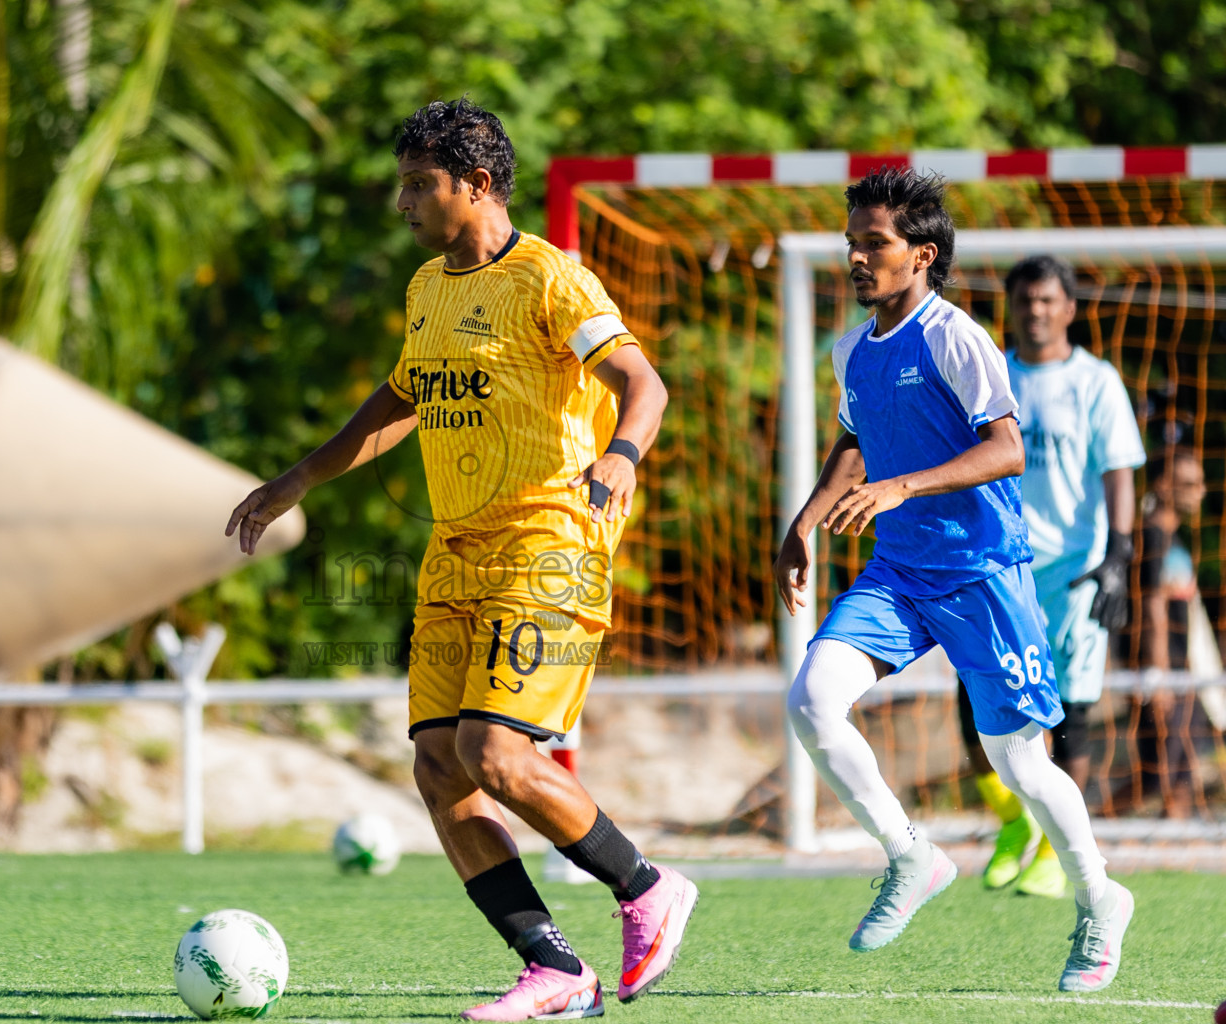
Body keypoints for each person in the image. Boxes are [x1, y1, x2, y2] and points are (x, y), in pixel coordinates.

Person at [226, 98, 696, 1021]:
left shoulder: (551, 279)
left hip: (551, 538)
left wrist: (621, 456)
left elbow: (644, 383)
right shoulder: (428, 288)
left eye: (417, 184)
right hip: (457, 549)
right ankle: (553, 966)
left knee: (495, 752)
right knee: (440, 766)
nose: (402, 203)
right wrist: (300, 479)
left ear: (475, 185)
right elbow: (400, 401)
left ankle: (646, 888)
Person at [772, 168, 1132, 992]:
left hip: (982, 574)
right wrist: (803, 523)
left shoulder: (954, 336)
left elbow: (1008, 448)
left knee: (1021, 764)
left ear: (922, 255)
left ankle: (1100, 898)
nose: (858, 258)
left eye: (876, 244)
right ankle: (911, 855)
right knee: (811, 701)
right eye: (852, 243)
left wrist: (903, 485)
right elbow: (853, 443)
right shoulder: (849, 348)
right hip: (898, 572)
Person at [953, 255, 1144, 898]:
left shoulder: (1096, 382)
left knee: (1074, 713)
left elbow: (1119, 470)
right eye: (1025, 300)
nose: (1035, 311)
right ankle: (1015, 822)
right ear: (1011, 307)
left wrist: (1119, 556)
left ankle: (1058, 854)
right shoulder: (992, 374)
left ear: (1068, 308)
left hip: (1076, 571)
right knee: (973, 702)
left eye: (1046, 300)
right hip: (999, 566)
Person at [1134, 443, 1209, 818]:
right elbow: (1153, 608)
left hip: (1182, 673)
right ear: (1164, 486)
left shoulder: (1175, 539)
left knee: (1177, 777)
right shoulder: (1152, 537)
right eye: (1191, 483)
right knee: (1163, 779)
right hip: (1163, 676)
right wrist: (1158, 676)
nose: (1202, 491)